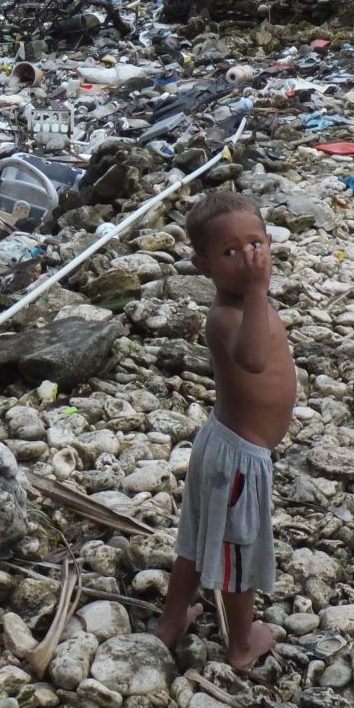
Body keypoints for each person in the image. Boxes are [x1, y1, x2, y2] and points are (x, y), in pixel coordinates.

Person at [155, 191, 297, 671]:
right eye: (230, 253)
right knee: (236, 554)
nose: (249, 260)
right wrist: (258, 292)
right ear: (203, 265)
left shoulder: (247, 304)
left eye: (255, 244)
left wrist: (258, 293)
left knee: (196, 541)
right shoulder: (227, 314)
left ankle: (172, 621)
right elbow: (253, 360)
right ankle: (240, 645)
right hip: (238, 458)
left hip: (224, 447)